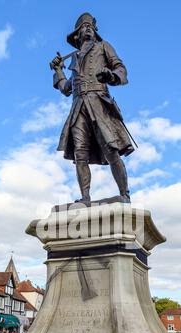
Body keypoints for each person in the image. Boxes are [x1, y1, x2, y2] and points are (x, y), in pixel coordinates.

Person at [51, 13, 134, 203]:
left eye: (90, 26)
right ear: (77, 35)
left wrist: (111, 76)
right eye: (83, 27)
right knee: (80, 153)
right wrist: (58, 70)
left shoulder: (103, 47)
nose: (87, 29)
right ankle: (85, 197)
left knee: (111, 150)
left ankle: (125, 194)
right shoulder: (74, 59)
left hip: (98, 103)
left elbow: (121, 69)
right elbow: (66, 88)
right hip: (78, 106)